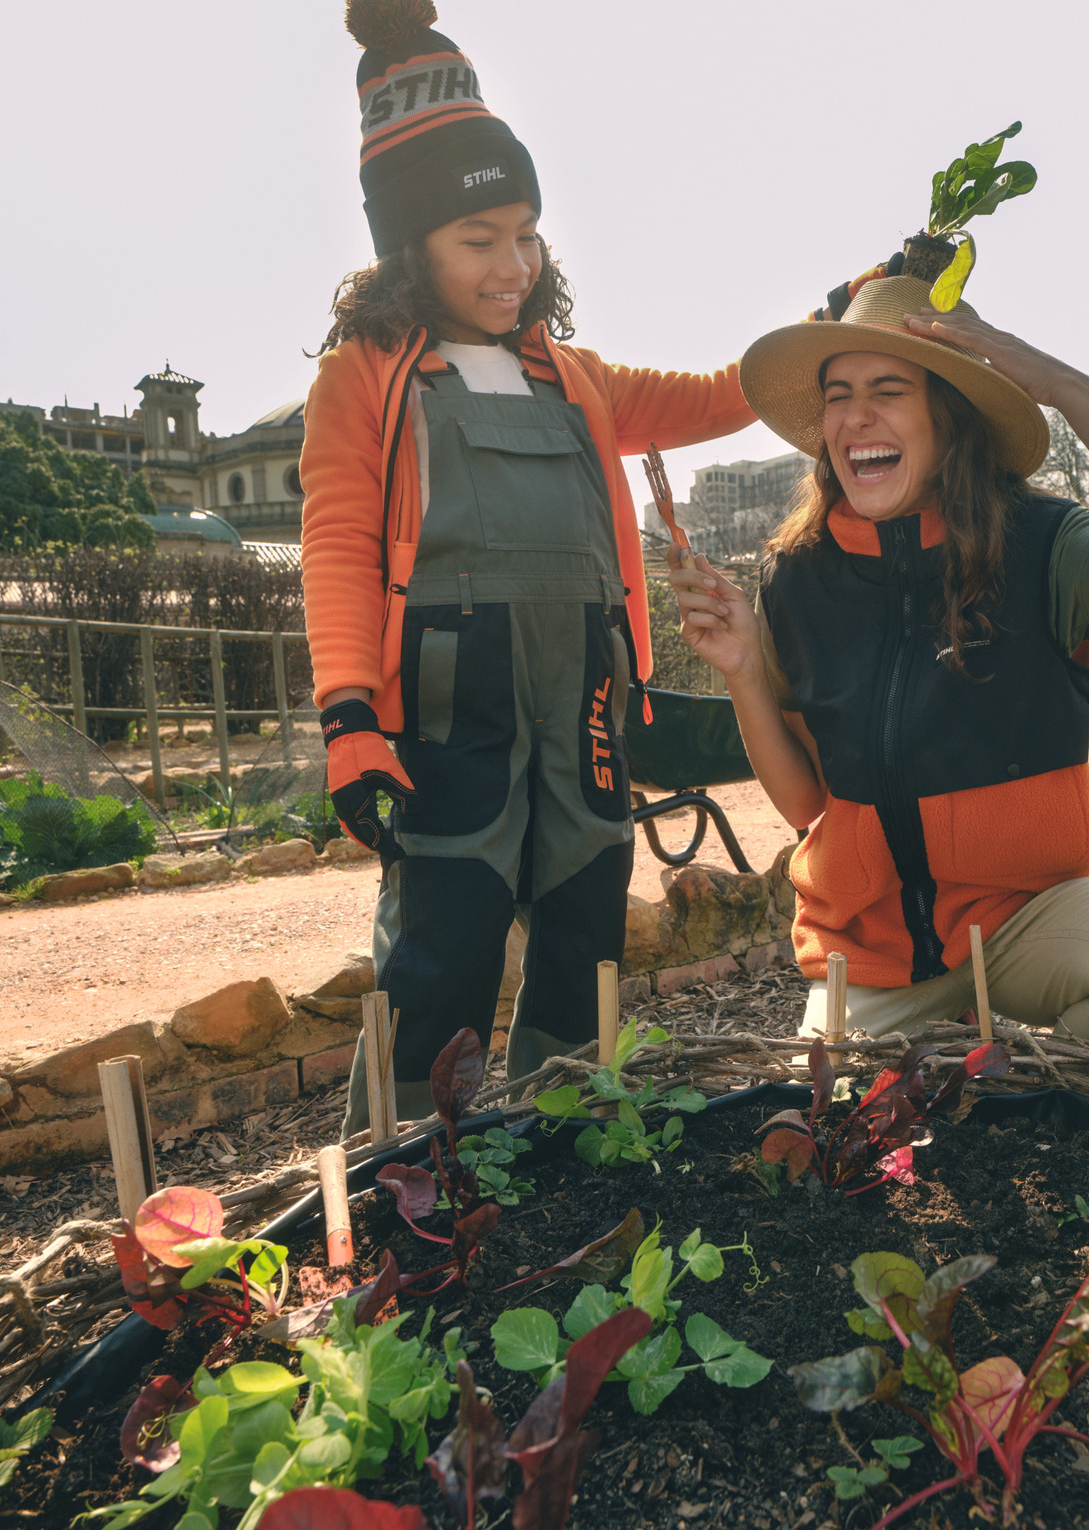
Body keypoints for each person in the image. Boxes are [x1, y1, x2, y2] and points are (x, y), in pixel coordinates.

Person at [301, 0, 753, 1132]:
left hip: (587, 692)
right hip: (454, 695)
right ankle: (402, 1159)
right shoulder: (365, 376)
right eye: (479, 241)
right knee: (446, 930)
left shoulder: (576, 375)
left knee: (584, 915)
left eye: (527, 233)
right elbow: (340, 548)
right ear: (411, 248)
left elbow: (721, 395)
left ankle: (569, 1127)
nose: (515, 266)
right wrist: (350, 717)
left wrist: (845, 312)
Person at [669, 272, 1089, 1049]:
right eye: (838, 394)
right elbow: (811, 808)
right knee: (839, 1126)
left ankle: (1040, 1082)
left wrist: (1070, 389)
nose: (855, 417)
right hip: (872, 954)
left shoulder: (1047, 543)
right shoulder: (797, 575)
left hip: (1027, 918)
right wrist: (744, 668)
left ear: (954, 416)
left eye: (888, 389)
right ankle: (964, 1064)